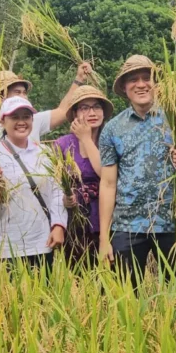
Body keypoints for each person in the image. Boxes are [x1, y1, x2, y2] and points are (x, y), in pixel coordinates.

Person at [0, 63, 93, 234]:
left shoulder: (33, 120)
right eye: (17, 92)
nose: (23, 96)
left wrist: (79, 80)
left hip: (34, 216)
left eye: (24, 92)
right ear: (0, 96)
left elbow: (62, 110)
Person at [97, 55, 176, 284]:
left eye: (147, 78)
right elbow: (107, 184)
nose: (141, 84)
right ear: (124, 87)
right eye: (133, 79)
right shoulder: (112, 129)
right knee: (123, 298)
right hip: (127, 225)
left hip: (172, 222)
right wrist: (104, 238)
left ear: (156, 84)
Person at [0, 97, 67, 269]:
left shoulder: (44, 153)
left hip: (41, 243)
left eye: (26, 117)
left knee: (43, 294)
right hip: (3, 247)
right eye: (15, 117)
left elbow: (57, 194)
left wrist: (59, 225)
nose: (21, 122)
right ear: (2, 121)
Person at [54, 85, 114, 267]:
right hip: (75, 223)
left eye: (96, 106)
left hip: (107, 220)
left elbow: (106, 175)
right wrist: (65, 199)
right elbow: (55, 185)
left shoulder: (110, 140)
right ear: (74, 114)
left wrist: (86, 139)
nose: (92, 112)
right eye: (84, 108)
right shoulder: (62, 144)